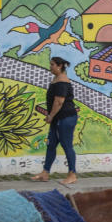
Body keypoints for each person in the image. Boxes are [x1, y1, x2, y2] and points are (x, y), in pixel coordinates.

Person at [32, 56, 78, 185]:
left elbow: (59, 101)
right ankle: (45, 173)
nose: (50, 67)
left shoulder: (62, 81)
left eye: (52, 64)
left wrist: (51, 116)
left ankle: (72, 174)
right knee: (51, 145)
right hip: (58, 118)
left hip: (65, 118)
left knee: (67, 145)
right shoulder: (56, 79)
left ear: (59, 66)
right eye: (50, 64)